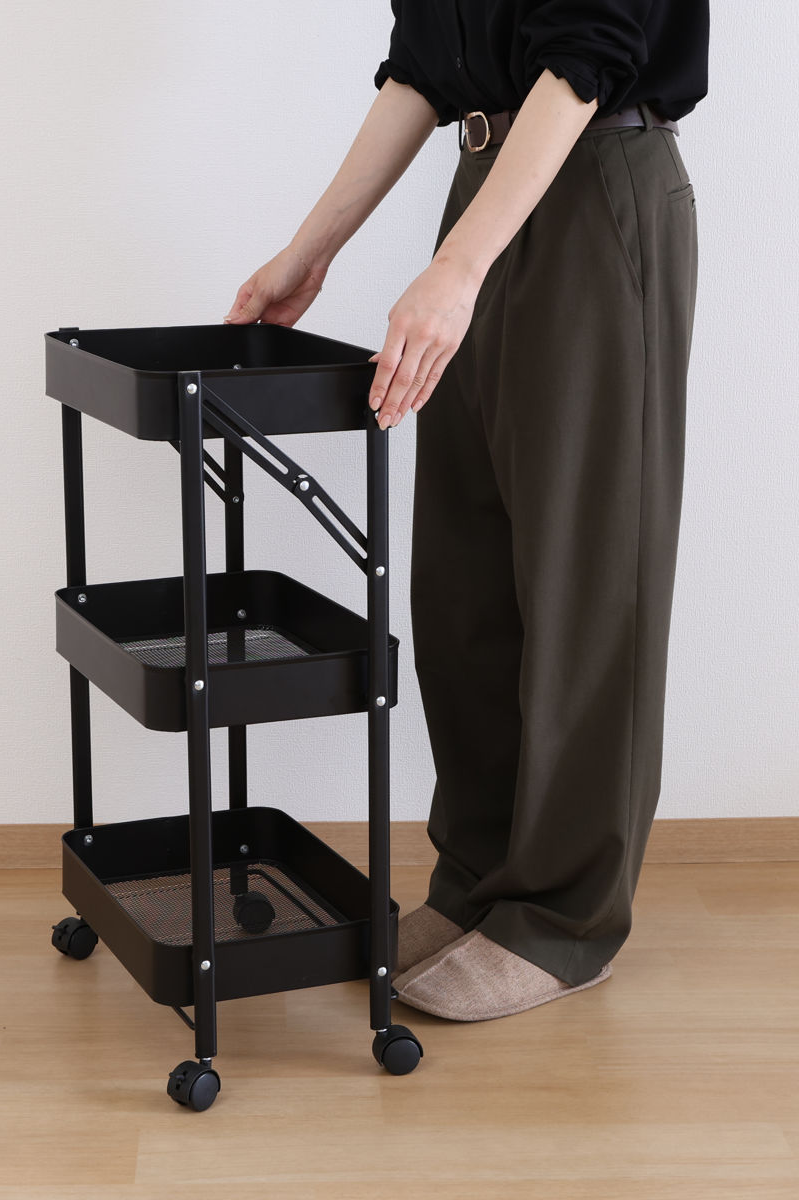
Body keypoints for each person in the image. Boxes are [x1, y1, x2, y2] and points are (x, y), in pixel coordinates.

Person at [224, 1, 708, 1021]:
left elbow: (588, 54)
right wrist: (311, 251)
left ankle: (564, 917)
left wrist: (456, 268)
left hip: (594, 179)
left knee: (585, 573)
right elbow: (423, 66)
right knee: (464, 571)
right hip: (487, 186)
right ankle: (479, 884)